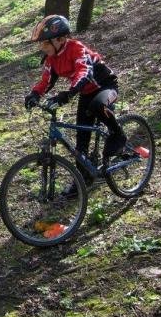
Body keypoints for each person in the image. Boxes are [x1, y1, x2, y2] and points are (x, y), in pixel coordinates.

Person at [24, 15, 127, 195]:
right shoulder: (51, 59)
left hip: (105, 86)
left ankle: (118, 136)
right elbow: (46, 81)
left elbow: (84, 72)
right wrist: (34, 94)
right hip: (86, 93)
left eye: (45, 43)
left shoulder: (77, 49)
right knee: (81, 142)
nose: (42, 47)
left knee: (98, 106)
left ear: (60, 39)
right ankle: (83, 179)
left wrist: (68, 93)